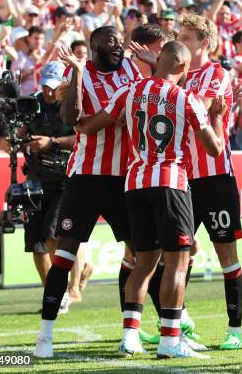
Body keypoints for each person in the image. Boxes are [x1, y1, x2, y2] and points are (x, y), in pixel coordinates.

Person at [74, 40, 227, 359]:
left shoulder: (129, 91)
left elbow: (89, 126)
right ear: (184, 68)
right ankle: (170, 340)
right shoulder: (186, 98)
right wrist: (215, 118)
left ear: (159, 61)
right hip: (171, 181)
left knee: (142, 264)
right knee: (176, 263)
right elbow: (213, 149)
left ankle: (130, 337)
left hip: (135, 182)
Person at [33, 26, 154, 359]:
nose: (117, 46)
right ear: (95, 48)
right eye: (110, 42)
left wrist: (153, 63)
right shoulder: (82, 73)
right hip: (87, 176)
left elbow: (158, 91)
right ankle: (45, 335)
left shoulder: (131, 67)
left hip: (124, 177)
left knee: (143, 254)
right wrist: (75, 74)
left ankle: (132, 333)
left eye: (119, 41)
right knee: (65, 254)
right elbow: (70, 117)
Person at [177, 13, 242, 350]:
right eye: (179, 37)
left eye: (186, 38)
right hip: (182, 178)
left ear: (203, 43)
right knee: (177, 253)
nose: (180, 43)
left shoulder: (216, 74)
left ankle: (234, 330)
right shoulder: (176, 77)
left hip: (216, 177)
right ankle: (178, 321)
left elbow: (199, 113)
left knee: (226, 255)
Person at [19, 62, 91, 307]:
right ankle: (50, 293)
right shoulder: (31, 105)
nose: (49, 93)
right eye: (45, 87)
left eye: (54, 87)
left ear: (63, 83)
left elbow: (82, 136)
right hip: (36, 180)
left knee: (54, 235)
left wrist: (51, 142)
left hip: (65, 178)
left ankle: (68, 290)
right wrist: (16, 138)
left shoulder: (73, 103)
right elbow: (17, 137)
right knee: (36, 243)